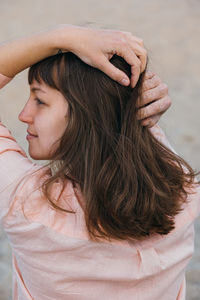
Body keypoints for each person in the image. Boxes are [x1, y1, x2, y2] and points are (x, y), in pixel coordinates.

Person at [0, 25, 198, 300]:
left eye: (40, 100)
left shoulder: (29, 206)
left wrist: (61, 36)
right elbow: (124, 117)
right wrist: (135, 98)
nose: (23, 114)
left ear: (86, 114)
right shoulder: (182, 191)